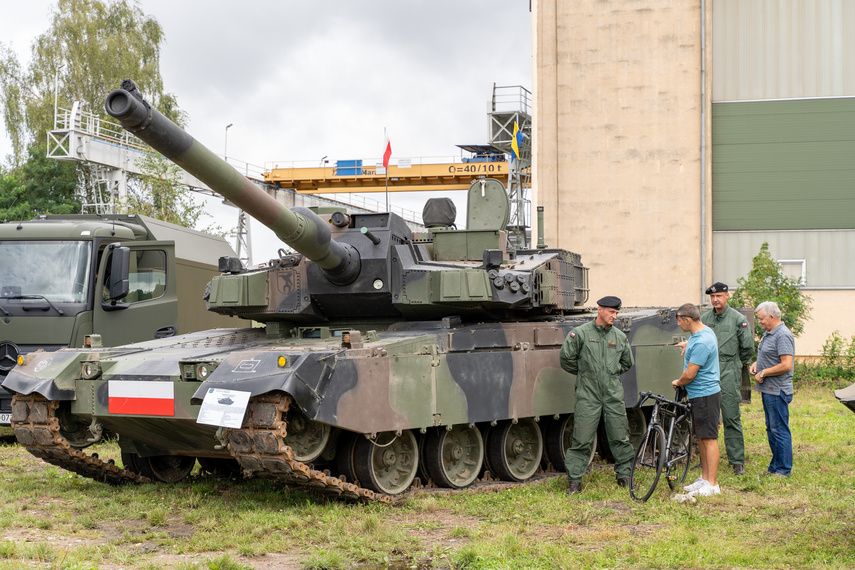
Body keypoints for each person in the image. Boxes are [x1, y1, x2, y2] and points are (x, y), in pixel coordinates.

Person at [560, 295, 635, 495]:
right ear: (599, 309)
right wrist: (586, 373)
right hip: (588, 392)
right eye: (611, 312)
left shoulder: (619, 336)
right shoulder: (581, 334)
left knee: (620, 435)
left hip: (612, 392)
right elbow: (566, 359)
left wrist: (609, 373)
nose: (614, 316)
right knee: (582, 438)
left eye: (617, 313)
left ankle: (624, 475)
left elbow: (627, 363)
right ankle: (575, 481)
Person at [701, 282, 754, 475]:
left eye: (719, 296)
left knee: (731, 416)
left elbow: (747, 348)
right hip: (707, 370)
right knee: (706, 417)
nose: (715, 300)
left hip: (729, 370)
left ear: (727, 296)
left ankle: (737, 460)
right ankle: (706, 459)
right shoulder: (705, 319)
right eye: (713, 297)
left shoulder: (738, 319)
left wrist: (734, 364)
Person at [672, 303, 722, 497]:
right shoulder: (699, 334)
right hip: (699, 394)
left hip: (705, 394)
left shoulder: (702, 341)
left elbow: (690, 374)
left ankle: (712, 484)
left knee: (709, 439)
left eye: (679, 320)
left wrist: (679, 381)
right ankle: (704, 478)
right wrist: (687, 345)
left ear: (688, 320)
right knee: (701, 437)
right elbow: (697, 344)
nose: (678, 324)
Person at [749, 301, 795, 477]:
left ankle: (783, 470)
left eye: (761, 318)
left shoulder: (782, 335)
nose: (759, 321)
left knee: (780, 430)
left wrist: (764, 372)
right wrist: (756, 364)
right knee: (772, 429)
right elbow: (770, 355)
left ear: (771, 317)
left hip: (777, 390)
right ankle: (775, 467)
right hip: (768, 389)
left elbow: (786, 365)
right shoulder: (769, 333)